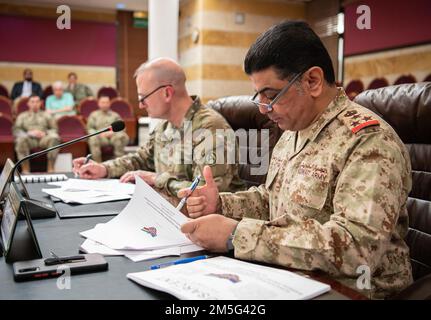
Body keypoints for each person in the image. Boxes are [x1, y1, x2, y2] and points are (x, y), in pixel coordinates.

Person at [178, 21, 413, 299]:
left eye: (272, 95)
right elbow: (272, 201)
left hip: (357, 290)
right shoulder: (294, 130)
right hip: (293, 276)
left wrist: (237, 235)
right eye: (260, 97)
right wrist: (220, 204)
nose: (265, 109)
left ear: (312, 81)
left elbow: (356, 249)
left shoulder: (368, 141)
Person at [73, 57, 246, 204]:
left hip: (208, 227)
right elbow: (140, 159)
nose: (140, 105)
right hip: (166, 213)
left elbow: (204, 192)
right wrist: (103, 168)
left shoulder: (210, 129)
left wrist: (157, 179)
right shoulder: (165, 126)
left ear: (167, 93)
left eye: (143, 98)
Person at [13, 94, 60, 173]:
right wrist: (28, 133)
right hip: (29, 139)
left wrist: (45, 133)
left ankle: (51, 169)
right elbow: (16, 130)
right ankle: (25, 170)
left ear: (40, 103)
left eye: (37, 102)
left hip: (43, 139)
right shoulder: (22, 116)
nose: (35, 104)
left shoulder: (46, 115)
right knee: (20, 139)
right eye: (32, 102)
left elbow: (54, 129)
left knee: (54, 138)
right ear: (28, 103)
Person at [87, 95, 129, 162]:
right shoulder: (93, 115)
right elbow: (90, 129)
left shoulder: (115, 115)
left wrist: (112, 132)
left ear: (109, 104)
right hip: (100, 138)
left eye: (106, 102)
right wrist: (99, 133)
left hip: (113, 137)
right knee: (93, 138)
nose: (105, 104)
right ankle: (97, 165)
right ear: (99, 104)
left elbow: (122, 128)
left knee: (121, 136)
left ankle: (119, 163)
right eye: (103, 102)